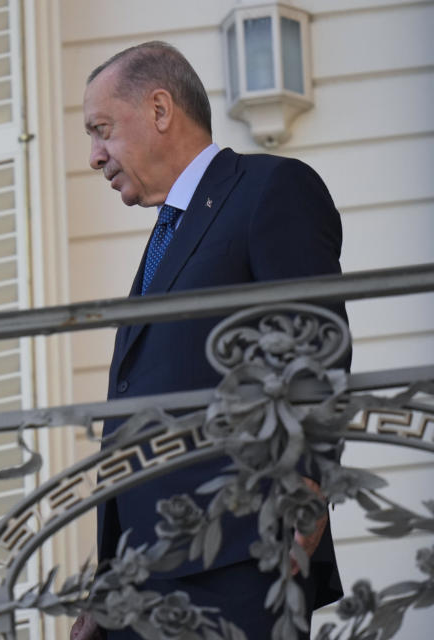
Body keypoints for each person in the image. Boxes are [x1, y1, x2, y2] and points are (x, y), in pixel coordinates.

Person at [71, 42, 345, 639]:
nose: (94, 156)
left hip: (240, 554)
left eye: (102, 130)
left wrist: (309, 486)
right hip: (145, 580)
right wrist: (107, 584)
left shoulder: (270, 188)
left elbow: (316, 345)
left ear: (161, 109)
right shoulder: (168, 231)